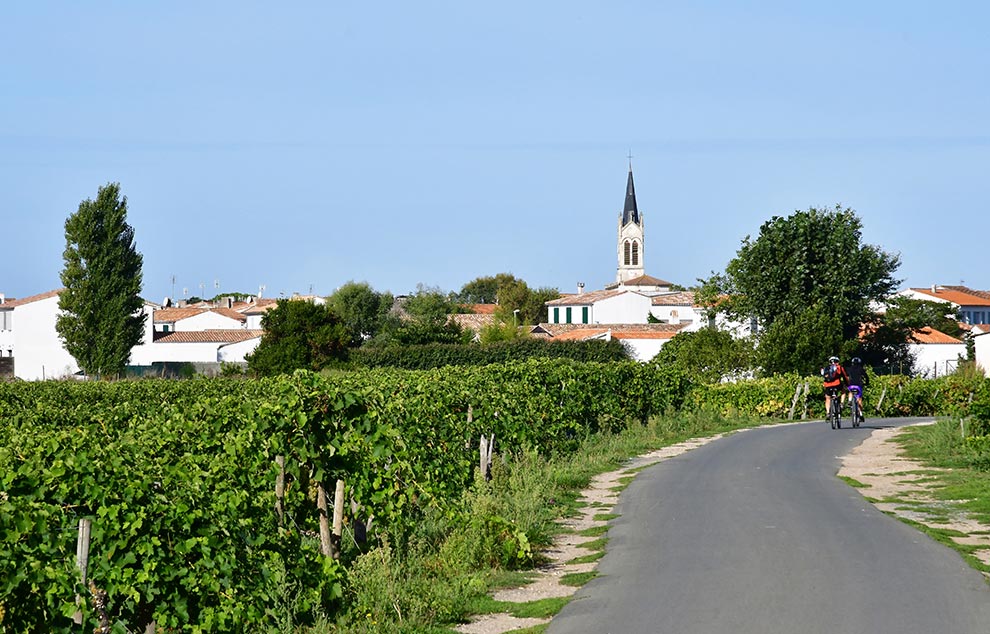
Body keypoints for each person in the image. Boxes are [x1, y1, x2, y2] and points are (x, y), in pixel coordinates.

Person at [821, 355, 848, 420]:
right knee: (843, 391)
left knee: (827, 398)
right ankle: (841, 403)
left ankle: (828, 413)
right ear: (837, 362)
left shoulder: (826, 368)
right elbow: (845, 376)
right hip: (837, 384)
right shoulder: (839, 367)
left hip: (827, 385)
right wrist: (847, 383)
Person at [846, 357, 868, 422]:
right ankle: (861, 414)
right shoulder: (861, 369)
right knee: (859, 399)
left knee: (850, 391)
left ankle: (849, 401)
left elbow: (846, 376)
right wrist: (867, 382)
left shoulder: (849, 369)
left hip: (851, 385)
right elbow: (866, 377)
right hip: (858, 385)